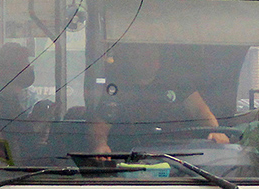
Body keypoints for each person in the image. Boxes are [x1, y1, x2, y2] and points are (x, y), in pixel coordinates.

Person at [89, 41, 229, 155]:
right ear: (131, 59)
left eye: (152, 55)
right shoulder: (118, 87)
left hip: (179, 156)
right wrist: (101, 145)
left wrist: (216, 132)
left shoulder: (176, 82)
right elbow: (102, 122)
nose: (149, 60)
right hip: (133, 158)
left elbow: (200, 110)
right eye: (142, 56)